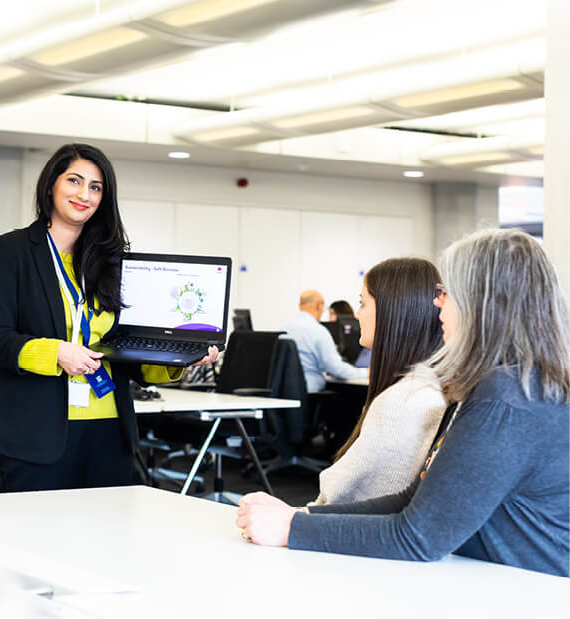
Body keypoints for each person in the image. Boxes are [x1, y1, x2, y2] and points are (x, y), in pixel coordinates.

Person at [237, 229, 570, 578]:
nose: (438, 302)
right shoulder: (492, 386)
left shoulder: (507, 400)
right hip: (491, 580)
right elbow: (416, 500)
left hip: (530, 594)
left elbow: (419, 536)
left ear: (484, 303)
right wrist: (300, 517)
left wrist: (292, 529)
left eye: (448, 292)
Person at [0, 143, 217, 492]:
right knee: (37, 538)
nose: (84, 194)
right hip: (38, 432)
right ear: (51, 184)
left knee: (107, 539)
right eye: (74, 181)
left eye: (95, 187)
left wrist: (180, 358)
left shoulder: (113, 262)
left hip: (109, 429)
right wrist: (56, 353)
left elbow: (123, 351)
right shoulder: (11, 251)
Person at [313, 258, 446, 505]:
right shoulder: (429, 386)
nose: (356, 314)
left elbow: (332, 499)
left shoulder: (398, 402)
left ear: (391, 311)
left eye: (362, 303)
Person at [283, 290, 367, 393]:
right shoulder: (318, 331)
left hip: (287, 392)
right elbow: (336, 368)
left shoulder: (284, 328)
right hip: (310, 394)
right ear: (319, 306)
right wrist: (367, 372)